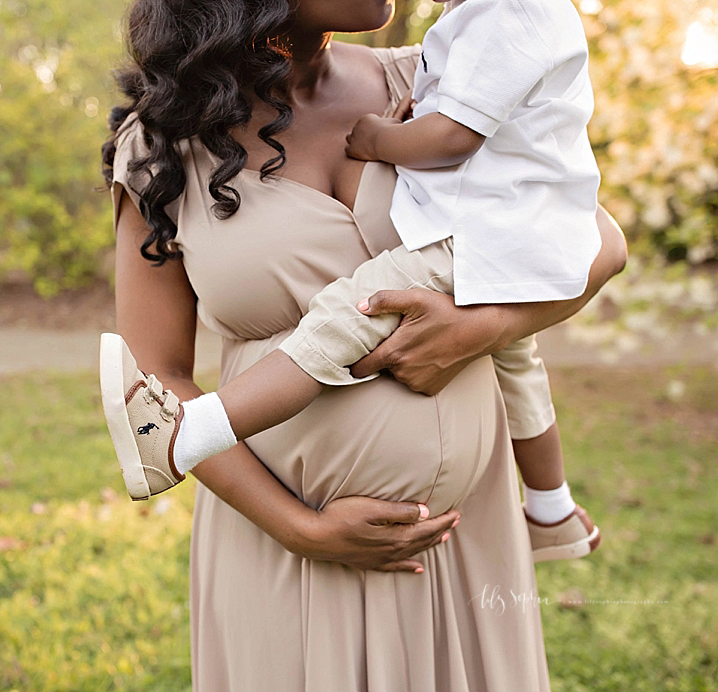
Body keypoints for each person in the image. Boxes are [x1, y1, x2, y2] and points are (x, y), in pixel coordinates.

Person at [100, 0, 627, 687]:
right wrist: (299, 529)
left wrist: (485, 328)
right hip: (282, 551)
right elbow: (157, 376)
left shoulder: (438, 81)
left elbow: (594, 239)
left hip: (466, 536)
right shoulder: (164, 141)